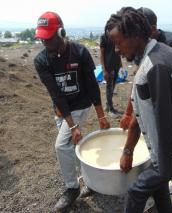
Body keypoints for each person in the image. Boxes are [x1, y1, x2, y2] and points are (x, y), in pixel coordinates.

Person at [106, 7, 172, 213]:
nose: (116, 50)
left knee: (137, 191)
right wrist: (130, 151)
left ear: (134, 36)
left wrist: (162, 169)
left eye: (118, 43)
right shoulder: (153, 53)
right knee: (159, 186)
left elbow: (165, 122)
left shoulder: (156, 66)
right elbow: (141, 110)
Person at [34, 11, 110, 212]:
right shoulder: (41, 61)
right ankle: (91, 181)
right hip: (61, 109)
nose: (45, 43)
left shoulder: (81, 53)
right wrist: (72, 125)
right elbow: (56, 95)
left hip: (81, 104)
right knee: (72, 144)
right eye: (42, 39)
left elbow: (93, 86)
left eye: (49, 38)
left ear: (61, 32)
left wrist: (101, 115)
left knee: (61, 146)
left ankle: (72, 188)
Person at [100, 25, 122, 117]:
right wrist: (104, 70)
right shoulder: (104, 37)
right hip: (109, 67)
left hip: (116, 65)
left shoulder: (116, 36)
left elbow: (118, 50)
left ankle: (108, 106)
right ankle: (110, 109)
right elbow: (101, 54)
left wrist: (121, 64)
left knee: (112, 87)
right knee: (109, 88)